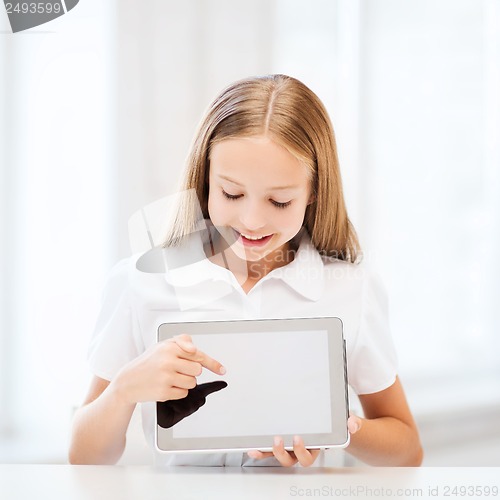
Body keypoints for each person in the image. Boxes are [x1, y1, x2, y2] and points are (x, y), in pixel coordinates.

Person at [68, 74, 423, 467]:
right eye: (232, 194)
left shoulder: (351, 288)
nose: (252, 220)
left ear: (314, 192)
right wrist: (121, 392)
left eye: (280, 201)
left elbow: (407, 451)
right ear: (204, 180)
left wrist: (338, 428)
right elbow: (84, 457)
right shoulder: (140, 282)